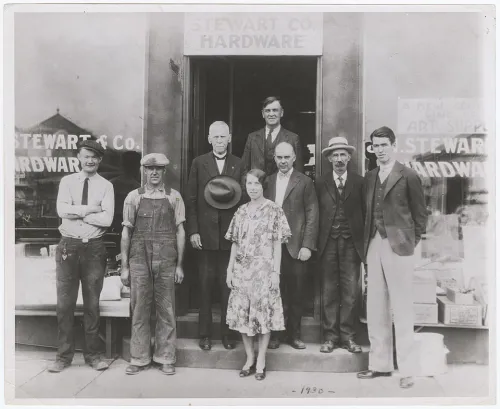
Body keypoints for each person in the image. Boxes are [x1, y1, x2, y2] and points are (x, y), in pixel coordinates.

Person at [357, 126, 427, 389]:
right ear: (371, 148)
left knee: (402, 307)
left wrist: (410, 242)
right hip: (373, 243)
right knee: (375, 306)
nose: (380, 149)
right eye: (376, 145)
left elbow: (421, 215)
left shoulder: (408, 175)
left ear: (393, 145)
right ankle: (379, 364)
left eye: (384, 144)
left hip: (399, 247)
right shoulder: (370, 176)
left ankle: (408, 369)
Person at [49, 139, 114, 373]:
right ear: (79, 157)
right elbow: (61, 211)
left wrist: (77, 212)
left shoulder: (106, 185)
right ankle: (63, 357)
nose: (90, 160)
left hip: (94, 248)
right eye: (86, 155)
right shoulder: (67, 182)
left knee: (92, 304)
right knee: (65, 304)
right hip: (68, 247)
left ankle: (94, 356)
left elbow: (107, 220)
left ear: (100, 160)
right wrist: (91, 209)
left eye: (94, 157)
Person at [120, 153, 186, 376]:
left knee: (166, 308)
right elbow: (126, 231)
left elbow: (180, 232)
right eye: (150, 169)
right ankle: (138, 358)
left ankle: (165, 357)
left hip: (166, 258)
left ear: (164, 172)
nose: (154, 172)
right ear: (144, 171)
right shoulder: (133, 197)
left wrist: (179, 265)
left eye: (158, 169)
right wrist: (125, 267)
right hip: (139, 257)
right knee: (139, 308)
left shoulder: (174, 197)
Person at [225, 169, 291, 380]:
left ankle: (261, 360)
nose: (252, 188)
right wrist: (230, 270)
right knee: (242, 314)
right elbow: (235, 242)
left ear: (263, 185)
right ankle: (249, 358)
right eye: (249, 184)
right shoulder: (241, 211)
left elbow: (277, 245)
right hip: (242, 270)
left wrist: (275, 272)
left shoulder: (274, 210)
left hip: (264, 270)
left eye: (256, 184)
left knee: (263, 315)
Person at [186, 121, 244, 351]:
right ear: (209, 139)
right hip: (205, 236)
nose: (220, 141)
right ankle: (205, 334)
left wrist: (239, 234)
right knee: (205, 286)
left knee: (228, 286)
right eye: (215, 137)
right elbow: (191, 199)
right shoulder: (199, 163)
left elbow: (243, 201)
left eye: (223, 137)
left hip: (230, 236)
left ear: (229, 138)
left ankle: (228, 334)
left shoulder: (239, 164)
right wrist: (193, 231)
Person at [264, 142, 319, 350]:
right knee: (274, 292)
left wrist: (307, 245)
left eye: (287, 157)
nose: (283, 161)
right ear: (274, 158)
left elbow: (313, 215)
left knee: (296, 293)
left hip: (296, 246)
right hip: (271, 247)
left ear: (294, 157)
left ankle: (294, 335)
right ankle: (276, 335)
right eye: (279, 157)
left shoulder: (304, 182)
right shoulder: (267, 182)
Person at [316, 136, 365, 354]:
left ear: (349, 157)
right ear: (328, 158)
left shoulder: (360, 182)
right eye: (334, 155)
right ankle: (329, 337)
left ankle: (348, 336)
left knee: (350, 292)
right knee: (329, 291)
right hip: (327, 243)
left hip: (351, 244)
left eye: (342, 154)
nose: (339, 159)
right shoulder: (319, 183)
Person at [242, 96, 303, 176]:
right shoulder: (252, 138)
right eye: (267, 111)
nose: (271, 114)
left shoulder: (293, 138)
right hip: (257, 187)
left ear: (281, 113)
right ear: (263, 114)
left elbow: (298, 172)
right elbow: (244, 169)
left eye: (275, 110)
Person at [109, 150, 141, 233]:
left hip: (114, 228)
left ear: (121, 165)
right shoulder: (139, 187)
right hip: (126, 228)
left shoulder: (111, 184)